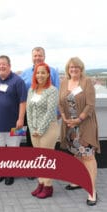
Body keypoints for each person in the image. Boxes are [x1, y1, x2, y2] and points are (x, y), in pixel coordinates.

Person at [59, 57, 100, 206]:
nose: (73, 70)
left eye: (76, 67)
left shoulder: (87, 82)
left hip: (84, 126)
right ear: (67, 69)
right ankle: (78, 182)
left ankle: (92, 191)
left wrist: (79, 119)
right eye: (71, 67)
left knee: (88, 157)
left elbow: (90, 105)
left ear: (81, 68)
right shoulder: (64, 82)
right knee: (77, 155)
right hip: (70, 128)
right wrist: (64, 117)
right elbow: (60, 103)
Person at [20, 47, 60, 180]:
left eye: (40, 55)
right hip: (29, 114)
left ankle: (46, 174)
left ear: (44, 56)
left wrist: (57, 112)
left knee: (45, 144)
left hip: (46, 115)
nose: (37, 58)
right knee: (29, 140)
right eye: (35, 55)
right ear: (32, 57)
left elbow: (57, 92)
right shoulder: (25, 73)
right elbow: (20, 93)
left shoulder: (52, 71)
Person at [0, 55, 27, 186]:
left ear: (9, 66)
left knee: (13, 150)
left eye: (4, 64)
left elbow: (23, 102)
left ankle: (10, 173)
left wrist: (21, 119)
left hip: (17, 123)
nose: (1, 66)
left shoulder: (18, 81)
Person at [26, 62, 59, 199]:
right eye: (38, 73)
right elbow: (28, 110)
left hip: (48, 129)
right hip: (34, 130)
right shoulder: (32, 90)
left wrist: (40, 129)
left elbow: (50, 112)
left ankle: (48, 186)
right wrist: (33, 128)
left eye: (43, 73)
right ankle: (40, 183)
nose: (40, 75)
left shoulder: (52, 90)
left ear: (48, 75)